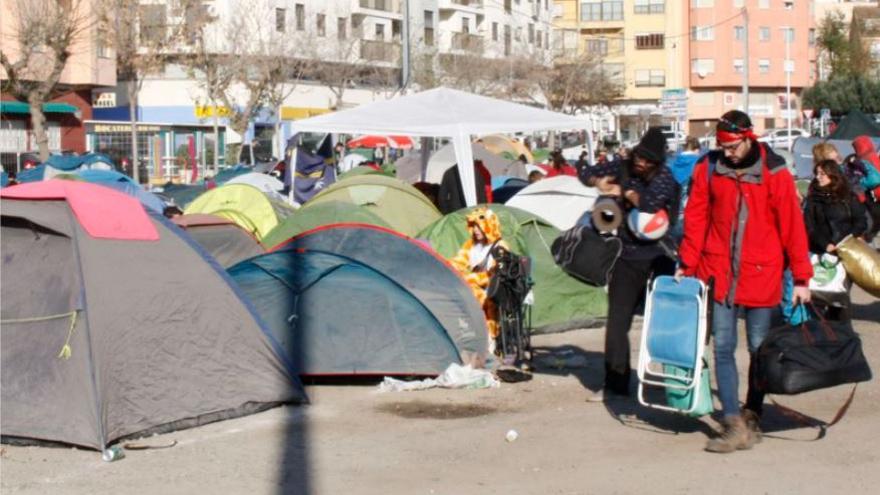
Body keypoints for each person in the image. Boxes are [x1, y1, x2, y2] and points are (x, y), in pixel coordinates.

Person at [676, 110, 812, 454]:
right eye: (721, 146)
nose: (727, 153)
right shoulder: (708, 167)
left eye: (732, 146)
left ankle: (753, 411)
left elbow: (792, 225)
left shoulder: (775, 171)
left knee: (758, 349)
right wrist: (687, 263)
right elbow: (696, 216)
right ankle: (733, 421)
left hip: (762, 273)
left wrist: (801, 277)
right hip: (719, 271)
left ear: (749, 138)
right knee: (722, 346)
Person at [579, 127, 680, 401]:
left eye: (648, 161)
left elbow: (648, 204)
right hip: (627, 255)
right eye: (639, 156)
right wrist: (598, 182)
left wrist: (623, 189)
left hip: (660, 255)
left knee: (664, 323)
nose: (640, 163)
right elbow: (585, 173)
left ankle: (671, 379)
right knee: (617, 321)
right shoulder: (624, 165)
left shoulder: (664, 179)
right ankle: (615, 382)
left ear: (657, 163)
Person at [803, 159, 867, 320]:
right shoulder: (813, 199)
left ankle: (840, 332)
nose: (818, 177)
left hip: (846, 252)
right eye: (817, 173)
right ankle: (819, 330)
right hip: (820, 252)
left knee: (839, 296)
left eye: (822, 174)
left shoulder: (848, 196)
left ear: (833, 175)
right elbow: (809, 226)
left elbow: (860, 220)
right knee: (818, 294)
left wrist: (848, 239)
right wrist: (826, 244)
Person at [450, 207, 510, 354]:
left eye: (479, 226)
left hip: (493, 288)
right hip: (472, 286)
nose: (476, 230)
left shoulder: (500, 246)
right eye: (474, 226)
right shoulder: (470, 245)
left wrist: (472, 278)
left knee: (473, 291)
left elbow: (496, 273)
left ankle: (488, 337)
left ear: (488, 225)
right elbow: (458, 262)